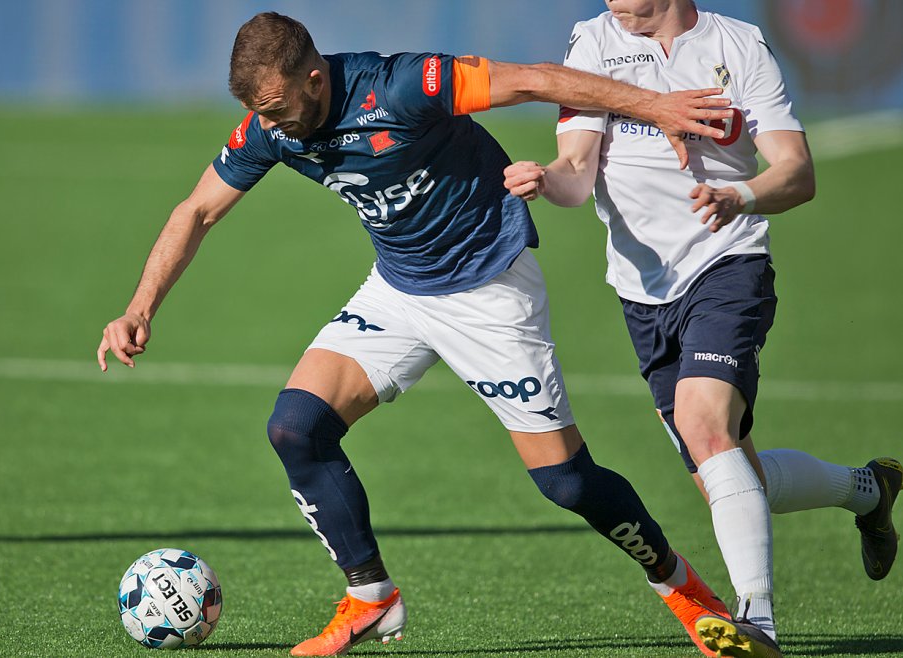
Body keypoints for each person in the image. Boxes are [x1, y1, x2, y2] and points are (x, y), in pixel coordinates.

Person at [97, 11, 746, 657]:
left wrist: (656, 106)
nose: (268, 125)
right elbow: (197, 210)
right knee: (296, 428)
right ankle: (371, 597)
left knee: (566, 483)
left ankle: (681, 586)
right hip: (399, 290)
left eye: (276, 108)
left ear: (315, 80)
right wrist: (139, 308)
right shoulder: (269, 128)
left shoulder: (402, 86)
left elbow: (535, 79)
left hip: (489, 289)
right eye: (257, 112)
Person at [503, 1, 902, 655]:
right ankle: (868, 490)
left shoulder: (738, 45)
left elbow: (796, 171)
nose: (609, 1)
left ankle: (758, 624)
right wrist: (545, 178)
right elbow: (576, 173)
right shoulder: (593, 42)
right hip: (642, 293)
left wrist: (738, 196)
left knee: (704, 424)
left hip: (728, 263)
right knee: (733, 477)